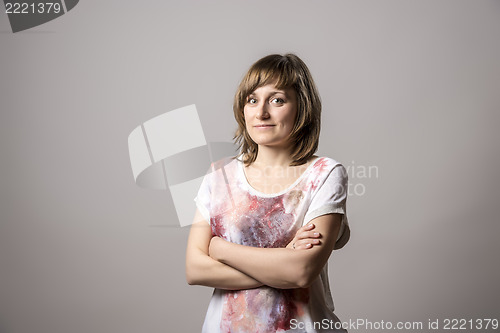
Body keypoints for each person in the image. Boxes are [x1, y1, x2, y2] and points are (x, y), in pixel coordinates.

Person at [185, 53, 350, 333]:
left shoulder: (325, 174)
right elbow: (195, 269)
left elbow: (301, 272)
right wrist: (281, 261)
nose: (261, 112)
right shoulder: (219, 175)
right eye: (252, 100)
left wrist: (220, 248)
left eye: (277, 100)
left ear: (302, 107)